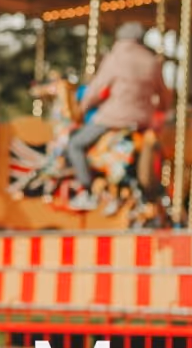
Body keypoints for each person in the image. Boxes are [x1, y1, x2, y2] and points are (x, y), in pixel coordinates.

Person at [65, 22, 167, 211]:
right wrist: (157, 111)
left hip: (114, 119)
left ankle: (86, 191)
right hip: (143, 122)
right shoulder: (152, 60)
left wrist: (83, 107)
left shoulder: (115, 58)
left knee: (75, 144)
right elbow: (164, 96)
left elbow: (96, 88)